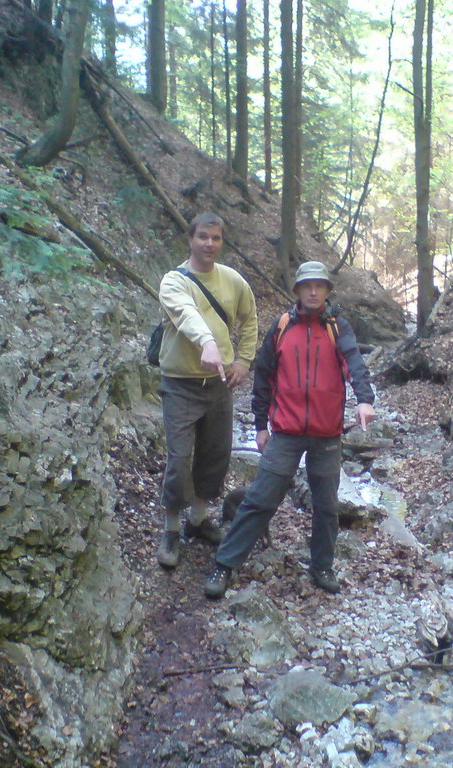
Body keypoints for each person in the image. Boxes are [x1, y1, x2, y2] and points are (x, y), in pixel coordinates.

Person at [204, 261, 375, 598]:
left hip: (327, 434)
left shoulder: (337, 327)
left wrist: (364, 399)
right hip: (286, 430)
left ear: (327, 291)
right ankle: (224, 565)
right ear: (297, 290)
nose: (313, 291)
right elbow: (263, 376)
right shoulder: (282, 327)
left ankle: (322, 566)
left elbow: (354, 362)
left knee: (327, 505)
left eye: (320, 286)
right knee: (260, 499)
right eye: (307, 285)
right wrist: (260, 425)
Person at [155, 212, 258, 569]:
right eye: (203, 237)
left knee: (215, 455)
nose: (209, 244)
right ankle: (171, 528)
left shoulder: (232, 281)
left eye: (215, 238)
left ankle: (198, 521)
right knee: (179, 459)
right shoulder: (173, 281)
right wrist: (208, 343)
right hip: (180, 383)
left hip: (219, 385)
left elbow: (250, 320)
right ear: (190, 238)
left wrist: (244, 360)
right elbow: (185, 314)